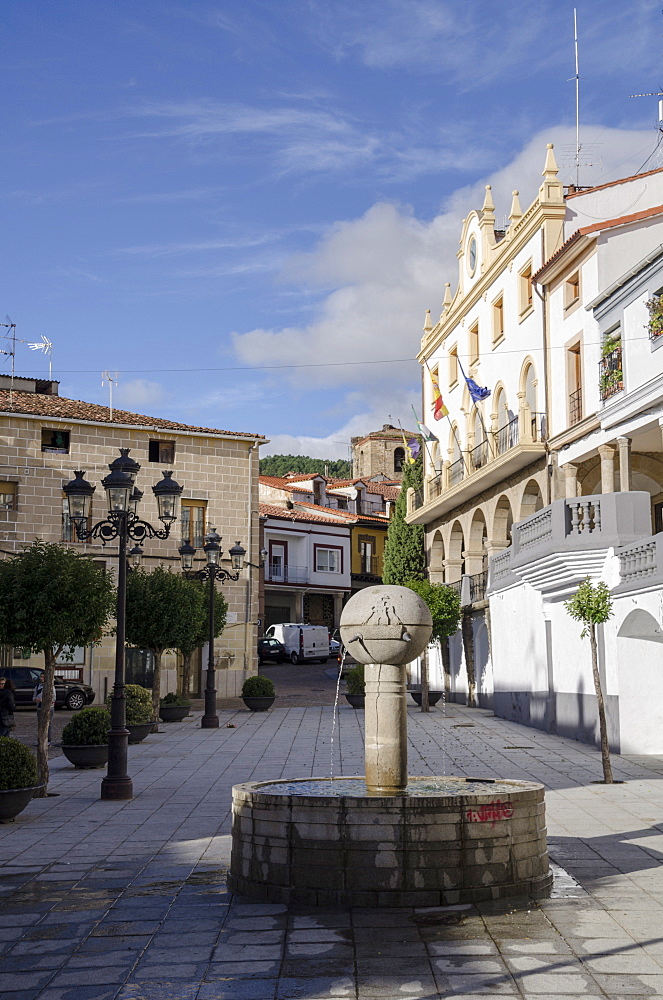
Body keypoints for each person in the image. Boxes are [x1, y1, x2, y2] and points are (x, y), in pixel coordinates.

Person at [33, 672, 55, 743]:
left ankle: (48, 739)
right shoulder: (38, 686)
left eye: (43, 677)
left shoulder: (50, 687)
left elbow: (53, 698)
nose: (42, 678)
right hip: (39, 707)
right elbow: (34, 696)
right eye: (41, 677)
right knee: (40, 724)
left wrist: (45, 701)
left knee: (48, 724)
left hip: (48, 707)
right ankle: (40, 739)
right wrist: (35, 699)